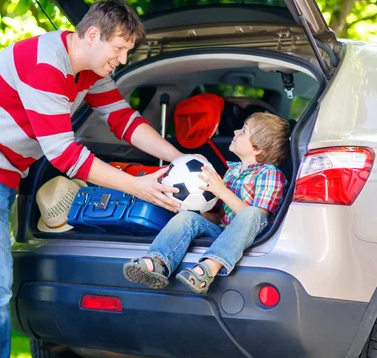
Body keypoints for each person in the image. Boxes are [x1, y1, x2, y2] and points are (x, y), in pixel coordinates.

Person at [0, 0, 186, 357]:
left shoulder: (91, 70)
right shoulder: (45, 65)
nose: (123, 60)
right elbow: (64, 155)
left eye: (127, 51)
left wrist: (179, 157)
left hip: (2, 170)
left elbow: (122, 120)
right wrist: (137, 187)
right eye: (119, 49)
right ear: (93, 35)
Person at [123, 112, 289, 294]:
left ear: (256, 149)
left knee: (253, 213)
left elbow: (258, 220)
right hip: (225, 231)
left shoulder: (270, 174)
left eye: (243, 131)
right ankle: (157, 262)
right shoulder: (232, 171)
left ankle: (208, 269)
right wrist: (196, 214)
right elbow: (221, 216)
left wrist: (221, 191)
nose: (235, 131)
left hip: (252, 236)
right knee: (188, 217)